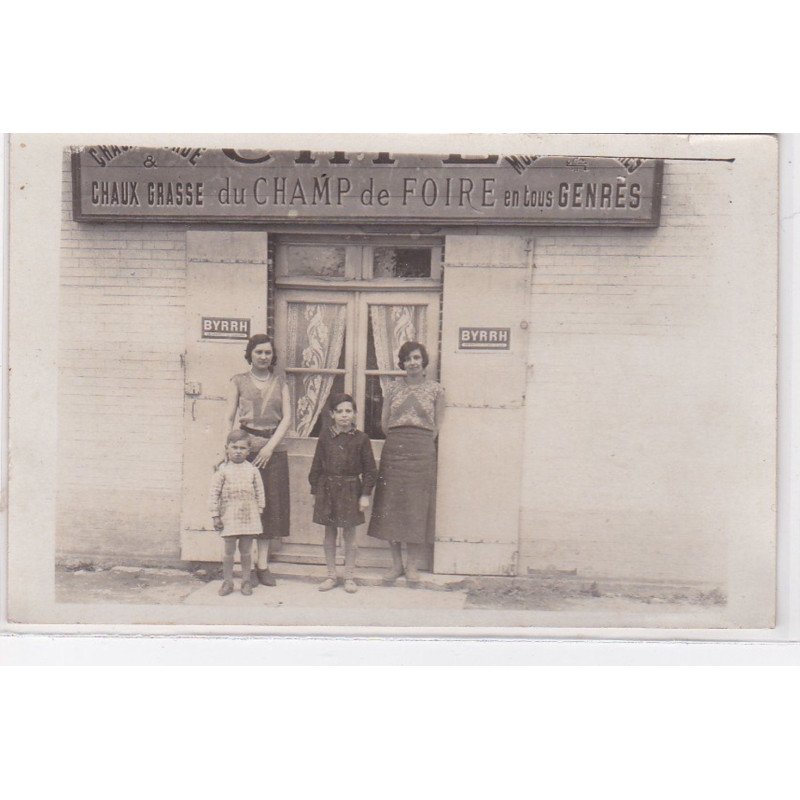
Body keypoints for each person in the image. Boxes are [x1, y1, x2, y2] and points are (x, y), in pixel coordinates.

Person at [367, 341, 445, 583]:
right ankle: (396, 565)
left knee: (416, 508)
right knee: (390, 507)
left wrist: (418, 439)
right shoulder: (391, 389)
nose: (412, 362)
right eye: (408, 359)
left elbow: (436, 427)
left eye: (416, 358)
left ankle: (412, 566)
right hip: (394, 450)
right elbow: (384, 422)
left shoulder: (436, 390)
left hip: (422, 451)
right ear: (402, 363)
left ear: (423, 361)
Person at [223, 333, 291, 587]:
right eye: (259, 352)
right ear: (250, 354)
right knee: (244, 506)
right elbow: (229, 416)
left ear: (273, 356)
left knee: (270, 508)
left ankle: (263, 565)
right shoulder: (238, 381)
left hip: (273, 451)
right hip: (245, 451)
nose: (264, 357)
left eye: (268, 353)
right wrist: (227, 449)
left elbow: (286, 418)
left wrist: (270, 448)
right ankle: (246, 568)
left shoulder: (281, 381)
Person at [308, 393, 378, 594]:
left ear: (355, 414)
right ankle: (331, 575)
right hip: (327, 489)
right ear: (332, 414)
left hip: (350, 490)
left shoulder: (361, 439)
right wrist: (315, 492)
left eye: (348, 411)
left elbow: (371, 470)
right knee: (329, 533)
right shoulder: (325, 437)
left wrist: (365, 494)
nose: (344, 416)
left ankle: (349, 576)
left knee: (350, 535)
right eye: (339, 411)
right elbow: (316, 466)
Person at [209, 430, 266, 597]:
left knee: (246, 551)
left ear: (249, 451)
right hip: (229, 515)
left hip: (249, 515)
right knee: (228, 550)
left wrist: (260, 510)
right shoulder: (222, 470)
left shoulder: (252, 470)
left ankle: (246, 581)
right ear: (227, 448)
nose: (238, 451)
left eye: (242, 448)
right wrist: (215, 515)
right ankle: (227, 581)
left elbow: (259, 491)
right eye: (234, 447)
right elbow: (214, 493)